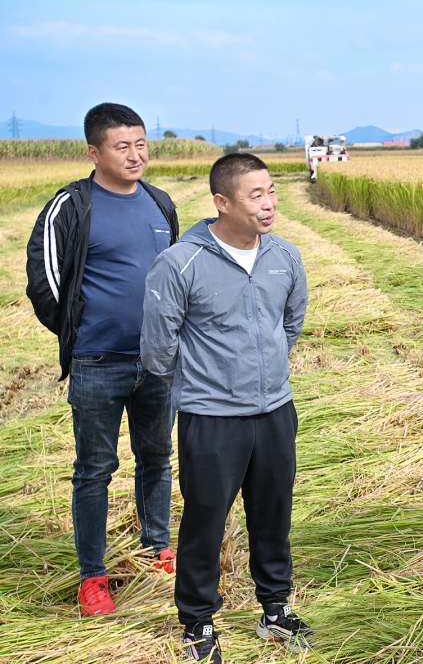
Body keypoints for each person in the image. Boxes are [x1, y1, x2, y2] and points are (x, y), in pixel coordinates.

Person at [141, 153, 310, 663]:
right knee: (206, 520)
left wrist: (264, 369)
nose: (269, 203)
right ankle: (197, 620)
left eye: (272, 192)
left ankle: (274, 609)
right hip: (211, 417)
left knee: (274, 514)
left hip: (276, 410)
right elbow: (157, 350)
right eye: (255, 195)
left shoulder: (285, 256)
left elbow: (290, 325)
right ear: (222, 202)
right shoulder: (180, 262)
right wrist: (209, 382)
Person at [25, 103, 178, 617]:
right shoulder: (71, 205)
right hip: (97, 363)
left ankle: (158, 547)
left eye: (141, 144)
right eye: (122, 146)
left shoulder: (160, 203)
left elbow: (175, 276)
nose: (136, 155)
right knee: (94, 470)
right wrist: (80, 334)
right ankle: (93, 577)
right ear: (94, 152)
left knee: (156, 458)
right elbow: (44, 282)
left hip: (157, 362)